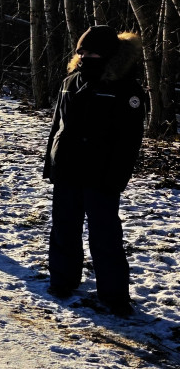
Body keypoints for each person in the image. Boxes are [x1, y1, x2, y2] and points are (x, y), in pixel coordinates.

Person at [43, 25, 146, 317]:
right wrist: (50, 163)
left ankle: (114, 295)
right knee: (64, 229)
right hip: (66, 170)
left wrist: (117, 178)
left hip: (101, 176)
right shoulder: (69, 81)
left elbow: (129, 141)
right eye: (82, 51)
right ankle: (62, 281)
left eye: (91, 51)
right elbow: (57, 127)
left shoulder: (125, 88)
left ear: (108, 53)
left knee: (105, 236)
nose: (85, 55)